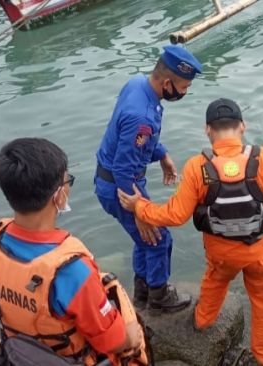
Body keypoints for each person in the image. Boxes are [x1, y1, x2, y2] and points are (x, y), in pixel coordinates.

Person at [117, 98, 263, 366]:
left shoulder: (197, 166)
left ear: (208, 130)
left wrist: (140, 207)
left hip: (221, 254)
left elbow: (175, 215)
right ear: (242, 126)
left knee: (215, 282)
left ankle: (203, 321)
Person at [0, 138, 144, 365]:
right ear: (59, 196)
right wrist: (132, 335)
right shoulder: (72, 271)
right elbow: (113, 342)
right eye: (67, 180)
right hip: (68, 359)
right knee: (122, 310)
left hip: (18, 354)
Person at [94, 45, 202, 315]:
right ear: (167, 83)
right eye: (183, 87)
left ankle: (141, 292)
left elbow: (129, 141)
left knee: (145, 240)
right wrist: (138, 210)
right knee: (158, 238)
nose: (184, 93)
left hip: (115, 179)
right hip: (122, 184)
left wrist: (162, 154)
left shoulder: (138, 84)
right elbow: (122, 167)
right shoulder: (141, 117)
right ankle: (158, 296)